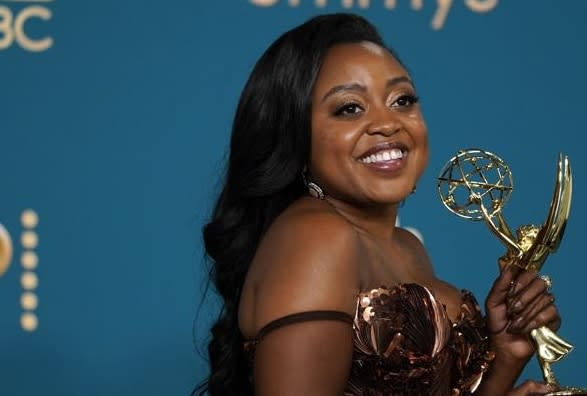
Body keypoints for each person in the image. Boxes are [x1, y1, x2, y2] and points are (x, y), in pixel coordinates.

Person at [195, 13, 561, 396]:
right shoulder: (316, 235)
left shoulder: (407, 247)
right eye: (350, 108)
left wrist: (505, 355)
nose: (388, 123)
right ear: (296, 140)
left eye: (402, 100)